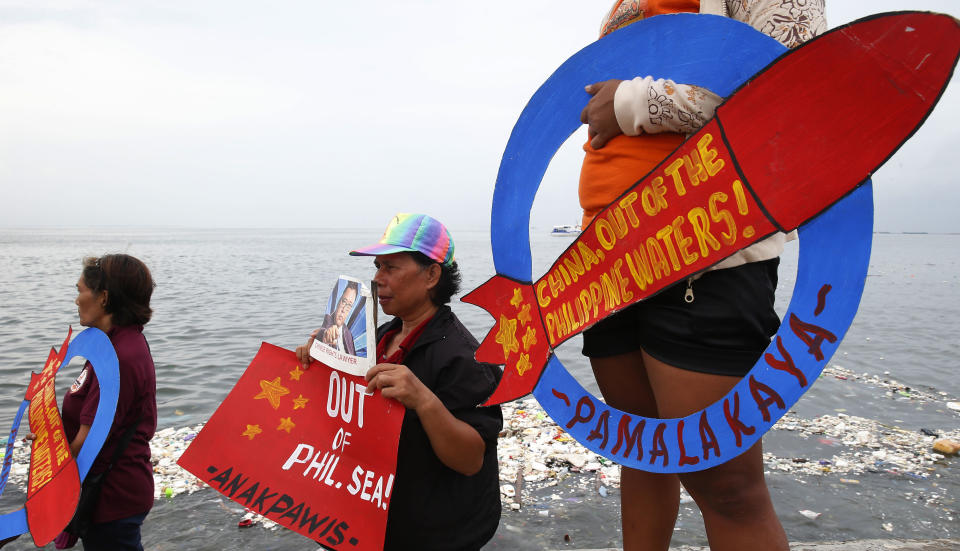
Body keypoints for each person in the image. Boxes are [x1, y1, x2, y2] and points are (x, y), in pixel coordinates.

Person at [577, 2, 827, 550]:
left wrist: (627, 102)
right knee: (640, 453)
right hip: (604, 259)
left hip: (707, 251)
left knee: (727, 486)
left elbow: (791, 81)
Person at [296, 213, 502, 551]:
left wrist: (424, 400)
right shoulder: (381, 335)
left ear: (432, 274)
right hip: (376, 513)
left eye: (391, 268)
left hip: (436, 531)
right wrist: (323, 363)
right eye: (377, 267)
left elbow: (470, 459)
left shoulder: (465, 358)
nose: (378, 279)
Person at [60, 254, 157, 550]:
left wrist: (47, 462)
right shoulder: (112, 344)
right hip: (114, 492)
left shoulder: (118, 358)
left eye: (80, 291)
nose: (76, 300)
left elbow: (89, 442)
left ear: (103, 297)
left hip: (112, 497)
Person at [318, 281, 358, 355]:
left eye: (349, 306)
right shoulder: (327, 321)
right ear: (338, 302)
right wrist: (326, 335)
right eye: (343, 302)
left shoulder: (348, 334)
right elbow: (323, 331)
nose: (343, 310)